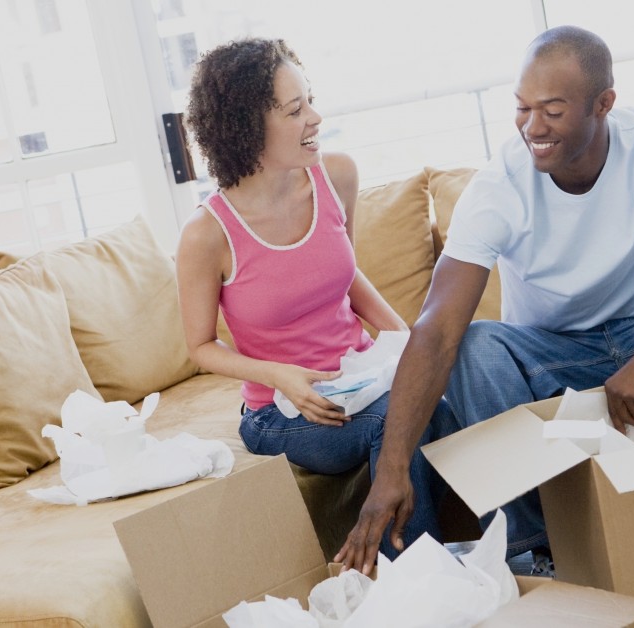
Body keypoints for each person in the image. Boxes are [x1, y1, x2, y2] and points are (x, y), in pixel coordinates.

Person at [335, 25, 634, 574]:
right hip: (552, 359)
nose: (532, 128)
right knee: (473, 346)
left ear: (602, 104)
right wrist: (392, 470)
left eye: (553, 111)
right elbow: (437, 329)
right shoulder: (499, 188)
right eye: (522, 108)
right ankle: (549, 552)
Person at [175, 38, 457, 559]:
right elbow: (201, 346)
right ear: (247, 126)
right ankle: (423, 581)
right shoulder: (208, 234)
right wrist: (280, 375)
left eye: (310, 100)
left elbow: (346, 277)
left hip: (363, 377)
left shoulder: (336, 176)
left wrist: (413, 344)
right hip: (283, 410)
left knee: (450, 390)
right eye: (295, 109)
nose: (316, 118)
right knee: (397, 421)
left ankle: (499, 555)